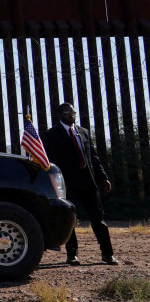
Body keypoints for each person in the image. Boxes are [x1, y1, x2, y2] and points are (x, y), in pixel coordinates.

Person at [43, 102, 118, 265]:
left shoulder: (83, 132)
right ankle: (72, 254)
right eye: (68, 112)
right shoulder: (52, 134)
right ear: (60, 114)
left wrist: (103, 177)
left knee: (98, 218)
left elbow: (94, 157)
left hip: (88, 182)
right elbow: (51, 162)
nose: (72, 114)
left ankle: (107, 254)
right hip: (68, 184)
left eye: (73, 112)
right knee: (70, 220)